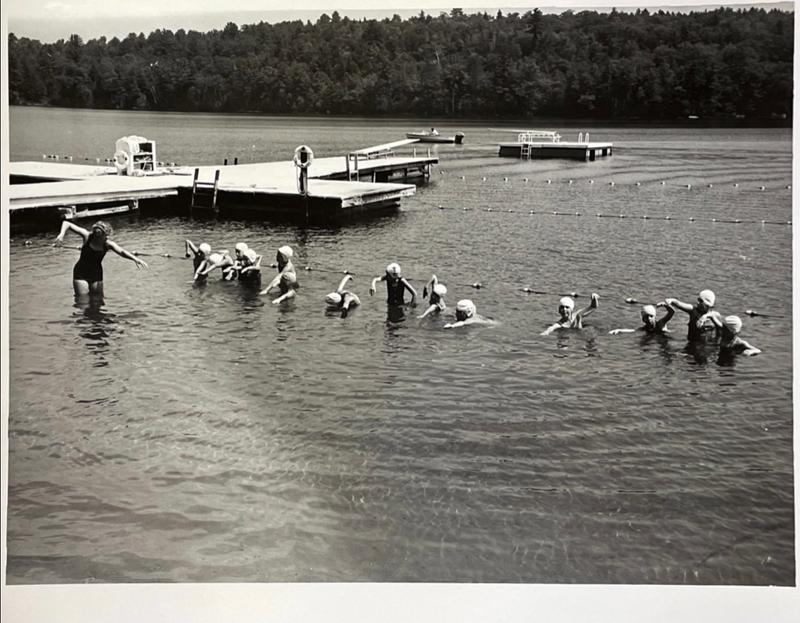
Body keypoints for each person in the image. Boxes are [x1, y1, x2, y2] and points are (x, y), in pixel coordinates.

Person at [54, 220, 147, 296]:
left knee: (98, 300)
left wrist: (135, 259)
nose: (97, 236)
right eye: (96, 233)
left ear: (106, 235)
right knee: (82, 301)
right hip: (81, 273)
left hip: (96, 274)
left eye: (100, 234)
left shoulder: (108, 244)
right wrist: (61, 235)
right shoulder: (87, 236)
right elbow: (67, 223)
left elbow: (122, 251)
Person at [609, 302, 674, 335]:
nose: (649, 319)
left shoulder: (660, 323)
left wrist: (665, 305)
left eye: (651, 316)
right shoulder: (645, 328)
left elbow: (672, 312)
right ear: (643, 319)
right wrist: (619, 330)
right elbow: (633, 331)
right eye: (646, 317)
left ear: (654, 316)